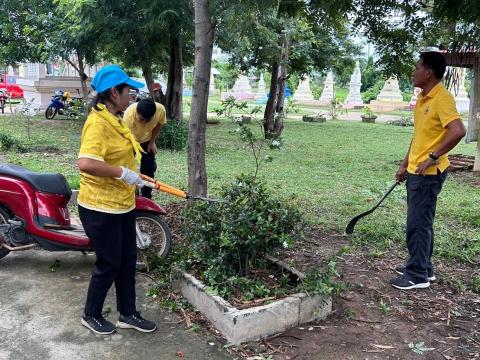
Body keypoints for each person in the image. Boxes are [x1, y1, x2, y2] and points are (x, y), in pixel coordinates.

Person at [77, 64, 157, 334]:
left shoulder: (115, 117)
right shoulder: (98, 123)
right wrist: (123, 173)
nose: (132, 96)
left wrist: (136, 176)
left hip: (122, 204)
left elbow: (120, 154)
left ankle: (128, 313)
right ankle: (91, 314)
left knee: (126, 260)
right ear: (114, 92)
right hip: (100, 207)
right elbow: (86, 163)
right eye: (128, 91)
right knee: (109, 262)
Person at [391, 52, 466, 290]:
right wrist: (405, 164)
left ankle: (417, 276)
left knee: (418, 224)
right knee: (421, 221)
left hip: (428, 174)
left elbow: (458, 131)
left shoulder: (442, 98)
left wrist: (433, 157)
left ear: (429, 72)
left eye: (417, 68)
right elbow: (420, 136)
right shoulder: (424, 98)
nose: (413, 72)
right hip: (416, 170)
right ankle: (424, 267)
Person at [123, 98, 166, 199]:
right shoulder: (128, 118)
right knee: (127, 168)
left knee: (148, 170)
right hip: (130, 141)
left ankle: (146, 196)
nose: (145, 122)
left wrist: (152, 142)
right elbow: (124, 138)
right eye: (142, 119)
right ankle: (129, 194)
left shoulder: (160, 110)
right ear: (137, 112)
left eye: (148, 120)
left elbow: (159, 123)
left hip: (146, 140)